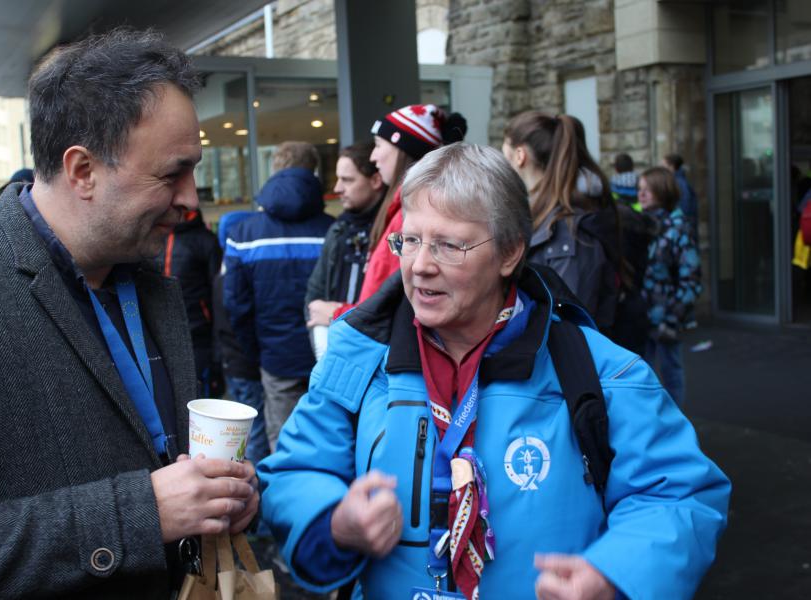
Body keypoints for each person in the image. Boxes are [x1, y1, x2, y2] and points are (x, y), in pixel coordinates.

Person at [258, 143, 730, 600]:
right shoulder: (357, 359)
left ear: (509, 253)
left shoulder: (598, 370)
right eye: (410, 240)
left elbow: (677, 495)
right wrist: (334, 523)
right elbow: (296, 470)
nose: (420, 266)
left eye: (448, 245)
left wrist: (615, 572)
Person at [0, 29, 258, 599]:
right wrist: (138, 515)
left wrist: (219, 498)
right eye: (172, 174)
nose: (192, 198)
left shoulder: (150, 283)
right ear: (82, 171)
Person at [224, 141, 334, 451]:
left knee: (285, 447)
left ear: (274, 170)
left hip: (275, 357)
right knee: (329, 443)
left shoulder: (245, 234)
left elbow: (236, 305)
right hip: (329, 357)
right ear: (313, 172)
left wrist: (257, 352)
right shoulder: (335, 231)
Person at [329, 105, 467, 322]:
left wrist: (335, 313)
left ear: (403, 149)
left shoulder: (411, 210)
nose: (373, 157)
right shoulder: (402, 206)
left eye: (378, 145)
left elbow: (389, 300)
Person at [502, 111, 619, 330]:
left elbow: (570, 322)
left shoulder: (571, 231)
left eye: (504, 155)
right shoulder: (544, 215)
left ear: (520, 156)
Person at [638, 167, 703, 407]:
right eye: (639, 189)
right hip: (642, 317)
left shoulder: (678, 228)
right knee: (640, 377)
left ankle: (675, 435)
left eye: (647, 190)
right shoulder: (642, 224)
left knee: (670, 374)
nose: (641, 195)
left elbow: (692, 279)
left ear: (662, 191)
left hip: (666, 318)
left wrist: (672, 317)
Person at [305, 140, 384, 333]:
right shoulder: (337, 230)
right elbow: (313, 297)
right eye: (338, 179)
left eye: (347, 180)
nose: (337, 188)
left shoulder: (393, 231)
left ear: (375, 181)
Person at [214, 210, 269, 466]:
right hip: (246, 366)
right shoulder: (238, 281)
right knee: (254, 433)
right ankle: (250, 486)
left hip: (231, 364)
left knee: (240, 433)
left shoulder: (220, 277)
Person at [159, 207, 225, 397]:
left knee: (199, 397)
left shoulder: (206, 241)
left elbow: (218, 298)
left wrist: (218, 353)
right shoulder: (154, 237)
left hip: (198, 336)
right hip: (159, 333)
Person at [663, 153, 698, 231]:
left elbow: (685, 207)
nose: (662, 169)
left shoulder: (679, 183)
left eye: (664, 166)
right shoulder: (676, 181)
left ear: (671, 167)